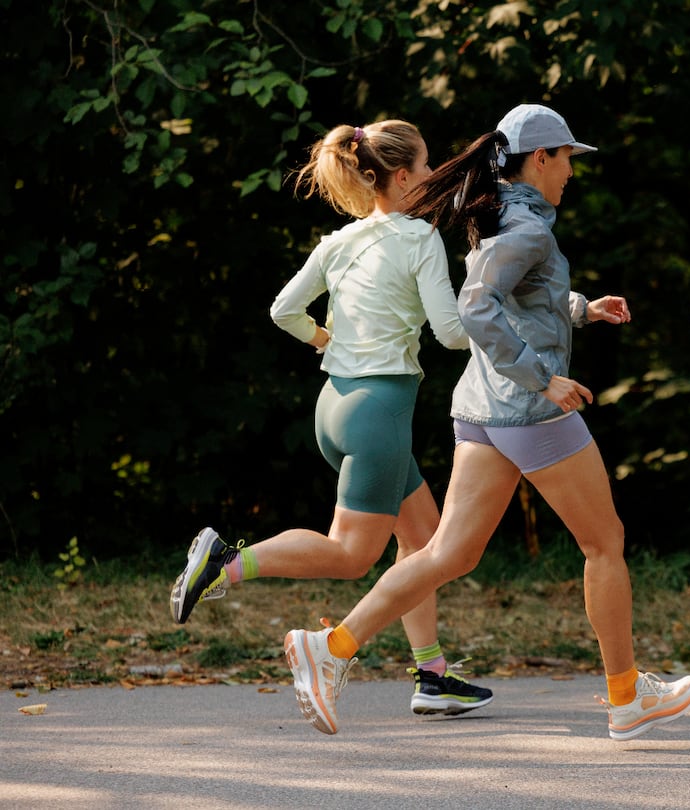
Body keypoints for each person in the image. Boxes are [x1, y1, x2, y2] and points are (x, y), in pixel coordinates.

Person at [281, 103, 690, 739]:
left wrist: (582, 309)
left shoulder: (501, 212)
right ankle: (625, 695)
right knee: (604, 542)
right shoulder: (526, 227)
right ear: (541, 158)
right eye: (566, 159)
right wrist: (544, 376)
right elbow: (478, 308)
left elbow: (513, 298)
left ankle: (332, 648)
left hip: (480, 408)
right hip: (529, 409)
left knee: (449, 551)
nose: (570, 172)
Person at [169, 119, 495, 718]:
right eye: (425, 166)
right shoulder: (420, 239)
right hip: (379, 414)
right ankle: (227, 565)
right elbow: (450, 333)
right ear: (401, 176)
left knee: (420, 537)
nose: (430, 175)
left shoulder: (338, 242)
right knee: (351, 554)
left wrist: (324, 337)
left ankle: (432, 674)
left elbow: (282, 310)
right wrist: (504, 329)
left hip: (335, 406)